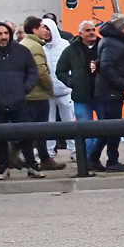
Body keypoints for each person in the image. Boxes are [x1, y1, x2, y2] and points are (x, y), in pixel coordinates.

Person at [0, 21, 40, 179]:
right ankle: (3, 168)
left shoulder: (22, 51)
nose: (3, 37)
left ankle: (32, 166)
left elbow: (32, 71)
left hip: (19, 101)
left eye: (6, 33)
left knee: (26, 135)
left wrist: (24, 89)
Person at [55, 19, 106, 166]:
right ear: (80, 33)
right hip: (81, 97)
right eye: (88, 30)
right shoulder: (71, 50)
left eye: (93, 30)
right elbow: (61, 71)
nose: (92, 33)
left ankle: (91, 158)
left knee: (105, 129)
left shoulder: (102, 46)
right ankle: (87, 161)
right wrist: (72, 82)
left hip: (101, 95)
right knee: (85, 130)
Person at [19, 18, 65, 170]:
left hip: (29, 93)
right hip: (37, 94)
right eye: (42, 27)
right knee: (39, 129)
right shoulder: (35, 46)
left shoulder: (25, 44)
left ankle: (35, 156)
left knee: (32, 128)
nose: (45, 30)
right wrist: (49, 88)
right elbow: (41, 72)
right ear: (34, 30)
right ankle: (43, 158)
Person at [92, 16, 124, 171]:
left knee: (107, 128)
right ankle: (110, 160)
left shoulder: (110, 40)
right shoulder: (112, 43)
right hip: (110, 92)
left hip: (108, 91)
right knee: (111, 128)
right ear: (120, 27)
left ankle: (94, 159)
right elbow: (107, 67)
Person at [41, 16, 75, 156]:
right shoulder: (40, 47)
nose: (46, 32)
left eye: (48, 29)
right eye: (44, 29)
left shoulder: (65, 45)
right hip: (47, 92)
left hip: (65, 91)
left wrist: (70, 83)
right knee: (48, 125)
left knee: (70, 123)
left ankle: (75, 150)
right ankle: (49, 152)